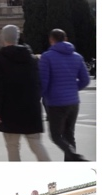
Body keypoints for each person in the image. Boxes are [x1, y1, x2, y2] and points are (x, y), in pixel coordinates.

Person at [0, 24, 51, 161]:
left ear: (4, 38)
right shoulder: (31, 58)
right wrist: (36, 99)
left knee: (12, 146)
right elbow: (38, 83)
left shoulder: (1, 59)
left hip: (8, 109)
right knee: (36, 144)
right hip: (30, 108)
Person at [38, 28, 90, 161]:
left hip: (56, 102)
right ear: (66, 39)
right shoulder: (77, 57)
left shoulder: (47, 57)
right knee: (69, 135)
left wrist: (38, 97)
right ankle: (71, 163)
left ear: (51, 40)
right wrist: (72, 89)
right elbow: (85, 80)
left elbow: (43, 82)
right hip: (73, 102)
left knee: (56, 136)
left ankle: (75, 157)